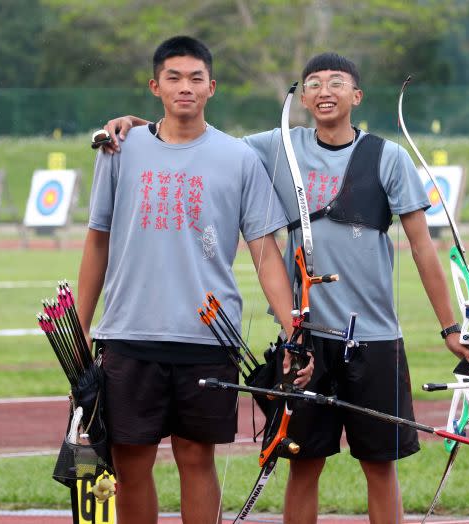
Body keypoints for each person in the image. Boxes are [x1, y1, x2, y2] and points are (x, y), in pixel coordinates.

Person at [99, 52, 469, 524]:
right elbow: (196, 137)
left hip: (375, 338)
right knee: (303, 463)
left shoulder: (388, 157)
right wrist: (141, 127)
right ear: (302, 97)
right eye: (314, 84)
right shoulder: (276, 145)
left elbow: (424, 248)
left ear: (356, 96)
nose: (325, 91)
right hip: (305, 340)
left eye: (337, 83)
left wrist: (451, 326)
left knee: (380, 465)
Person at [77, 36, 312, 524]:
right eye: (173, 78)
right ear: (155, 86)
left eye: (195, 78)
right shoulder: (118, 149)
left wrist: (294, 328)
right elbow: (97, 239)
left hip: (208, 335)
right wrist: (81, 323)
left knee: (196, 458)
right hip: (128, 332)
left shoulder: (239, 157)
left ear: (212, 87)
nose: (185, 87)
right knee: (129, 460)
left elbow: (267, 252)